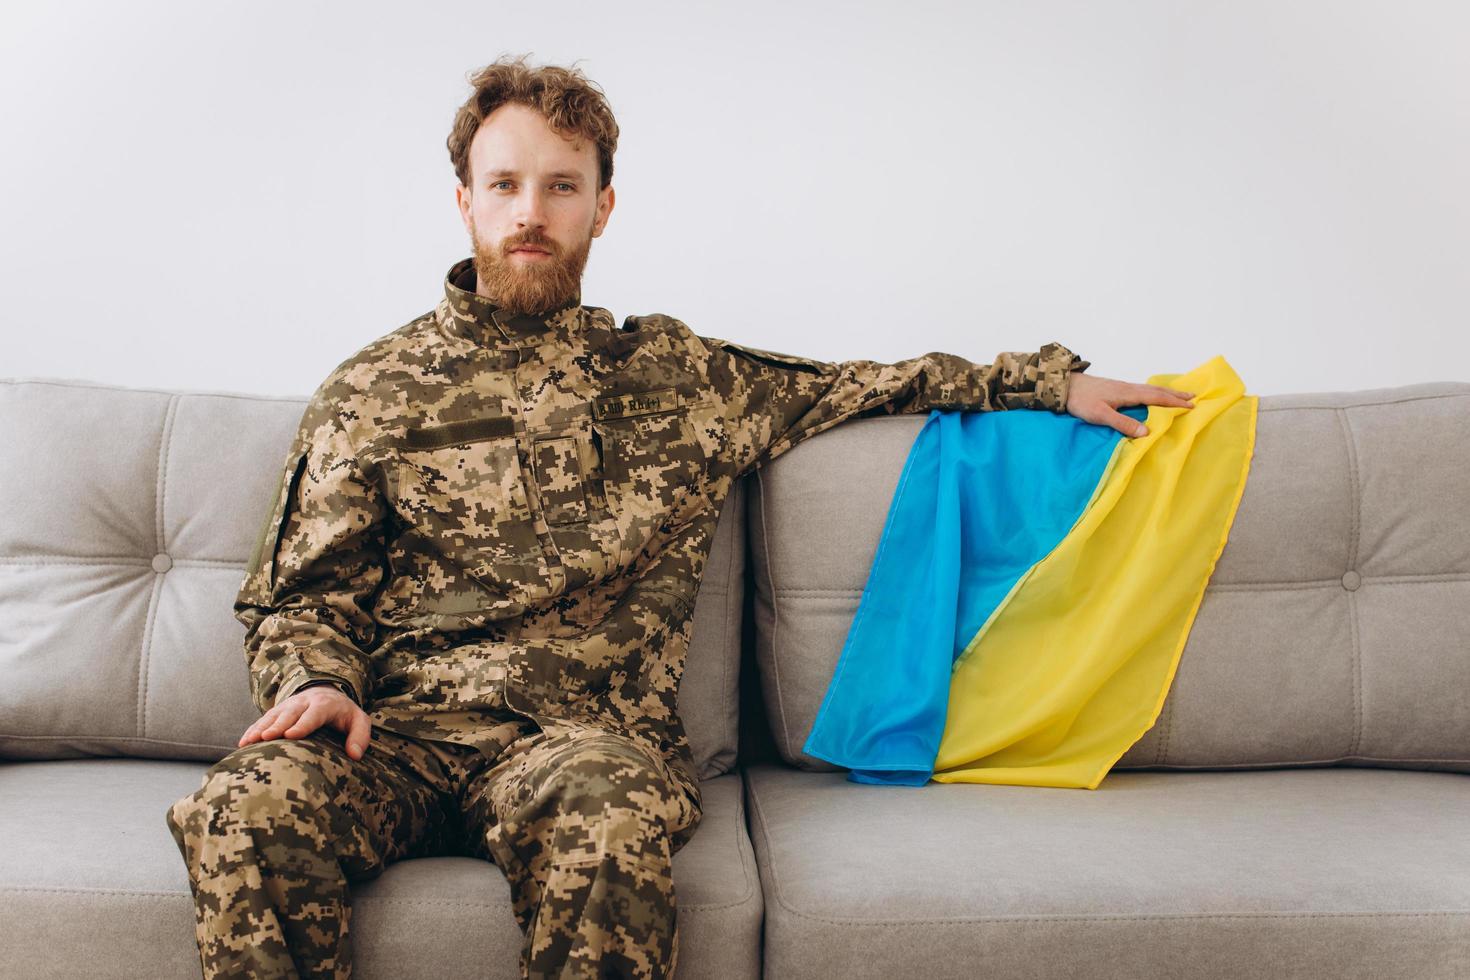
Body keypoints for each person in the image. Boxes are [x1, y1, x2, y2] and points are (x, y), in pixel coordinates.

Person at [164, 52, 1196, 980]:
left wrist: (1048, 387)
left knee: (612, 824)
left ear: (602, 206)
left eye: (561, 186)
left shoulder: (680, 378)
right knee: (241, 807)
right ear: (465, 202)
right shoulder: (372, 389)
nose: (532, 211)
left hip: (583, 738)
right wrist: (316, 681)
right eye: (507, 185)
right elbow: (304, 594)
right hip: (396, 731)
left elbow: (864, 382)